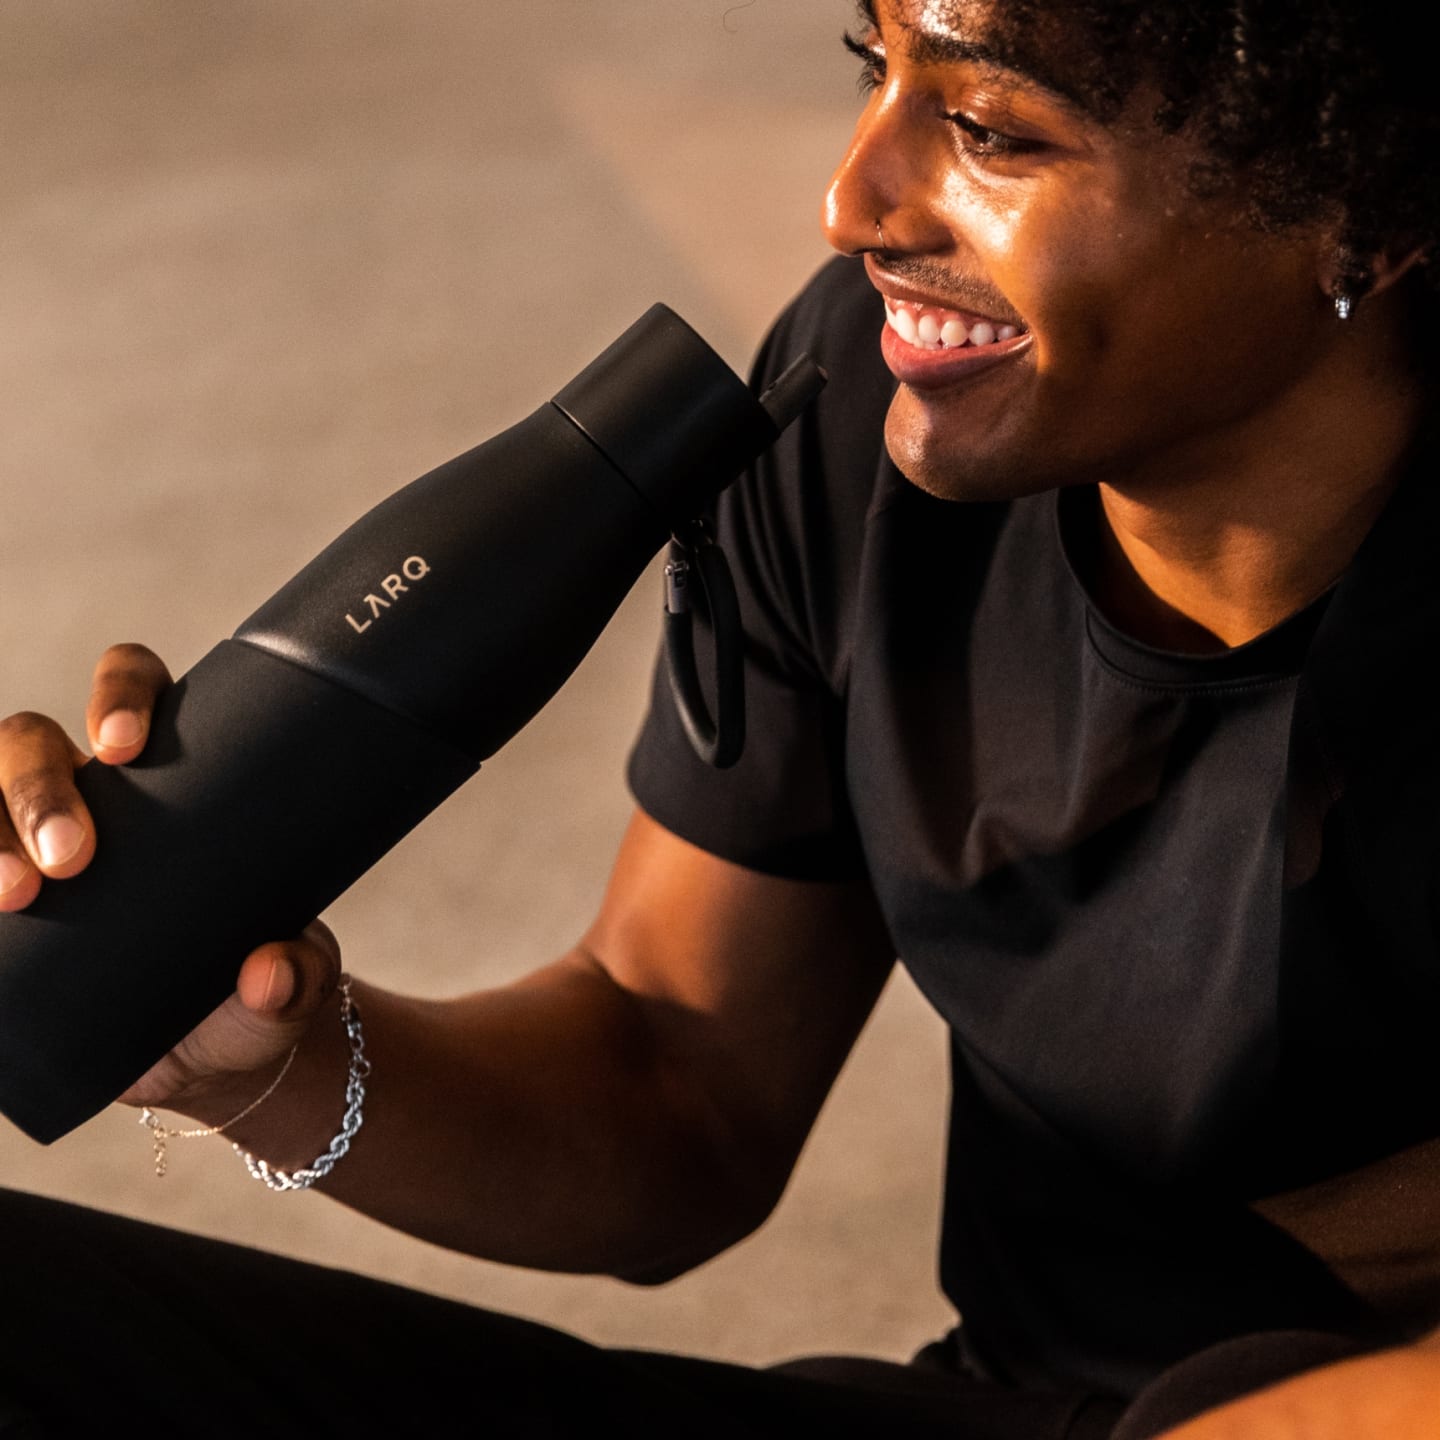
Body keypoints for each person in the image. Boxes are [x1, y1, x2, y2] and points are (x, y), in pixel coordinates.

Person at [2, 0, 1439, 1434]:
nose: (850, 202)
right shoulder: (866, 419)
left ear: (1370, 205)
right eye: (875, 69)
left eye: (992, 130)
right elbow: (676, 1084)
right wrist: (273, 1065)